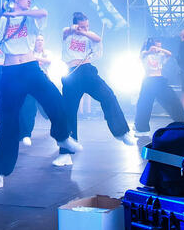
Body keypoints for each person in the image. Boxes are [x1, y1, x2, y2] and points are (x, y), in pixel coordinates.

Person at [0, 0, 81, 191]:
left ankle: (63, 137)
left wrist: (21, 11)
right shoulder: (3, 17)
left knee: (55, 100)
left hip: (30, 69)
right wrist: (8, 8)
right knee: (7, 124)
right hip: (10, 72)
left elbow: (43, 12)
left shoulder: (31, 16)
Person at [54, 13, 134, 167]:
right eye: (82, 26)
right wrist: (75, 29)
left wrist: (84, 32)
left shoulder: (89, 36)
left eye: (87, 26)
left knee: (108, 96)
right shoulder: (67, 33)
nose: (85, 29)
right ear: (75, 24)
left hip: (87, 71)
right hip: (71, 74)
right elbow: (66, 31)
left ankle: (122, 132)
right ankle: (65, 153)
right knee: (68, 111)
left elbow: (98, 39)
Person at [135, 38, 184, 134]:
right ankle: (141, 128)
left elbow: (169, 54)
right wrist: (150, 50)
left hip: (159, 80)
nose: (158, 48)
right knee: (144, 105)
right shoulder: (145, 54)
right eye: (157, 46)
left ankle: (182, 122)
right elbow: (141, 55)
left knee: (173, 100)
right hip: (148, 81)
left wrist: (160, 49)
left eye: (160, 46)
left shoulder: (161, 55)